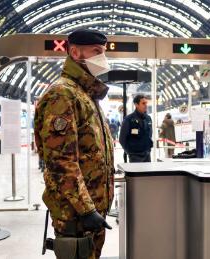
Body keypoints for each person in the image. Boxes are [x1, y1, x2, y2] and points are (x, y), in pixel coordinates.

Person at [34, 29, 114, 259]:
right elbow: (61, 161)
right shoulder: (62, 95)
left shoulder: (85, 95)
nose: (103, 58)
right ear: (75, 52)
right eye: (97, 51)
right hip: (76, 214)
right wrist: (86, 208)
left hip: (90, 211)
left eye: (104, 52)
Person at [119, 94, 153, 162]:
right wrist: (130, 152)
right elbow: (122, 139)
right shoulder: (128, 119)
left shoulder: (148, 118)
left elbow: (150, 134)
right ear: (136, 104)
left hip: (147, 155)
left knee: (147, 173)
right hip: (135, 156)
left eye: (146, 103)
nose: (146, 105)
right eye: (143, 103)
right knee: (137, 173)